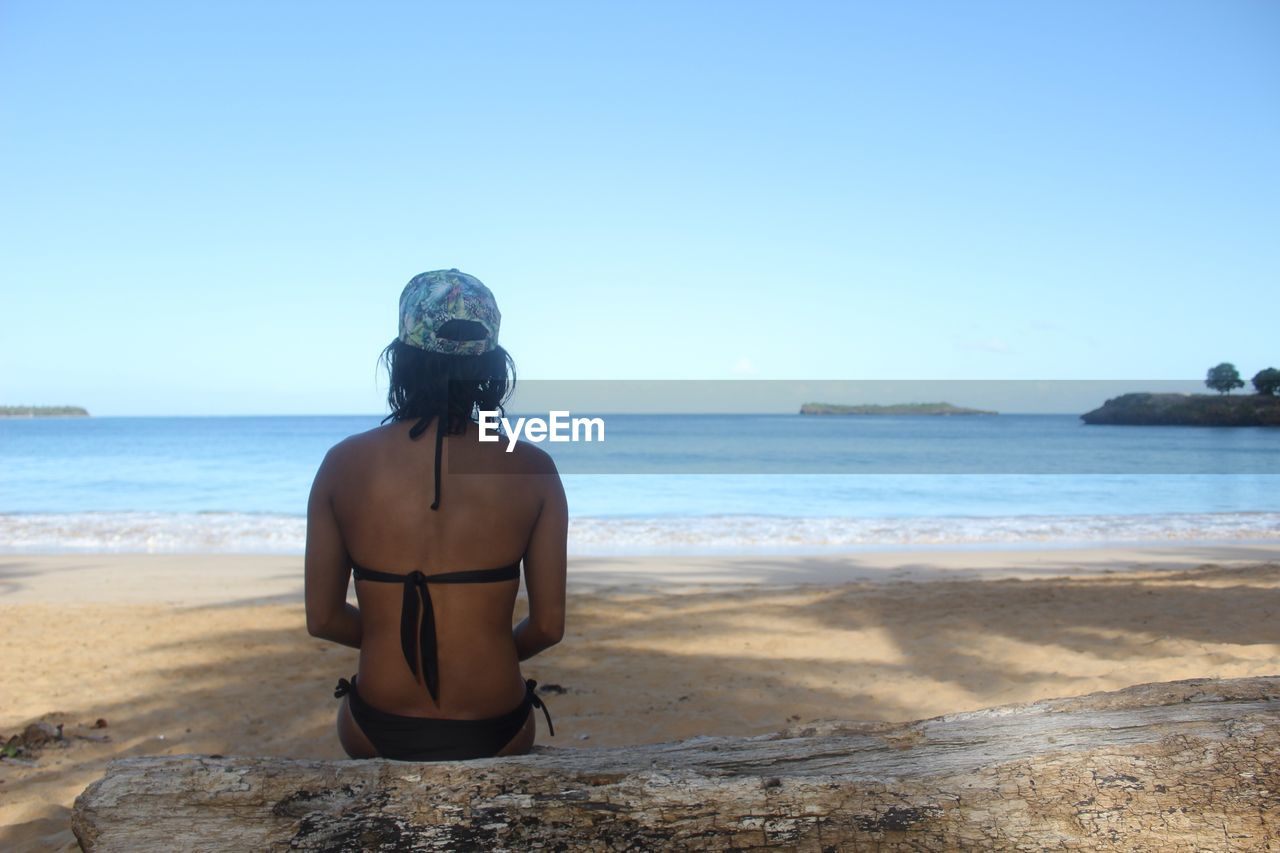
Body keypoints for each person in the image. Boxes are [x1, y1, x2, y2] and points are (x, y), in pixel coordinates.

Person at [305, 269, 567, 761]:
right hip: (499, 726)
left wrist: (390, 634)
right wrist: (476, 643)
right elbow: (548, 627)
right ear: (492, 364)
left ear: (401, 359)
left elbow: (322, 618)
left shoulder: (342, 463)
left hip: (376, 725)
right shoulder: (534, 468)